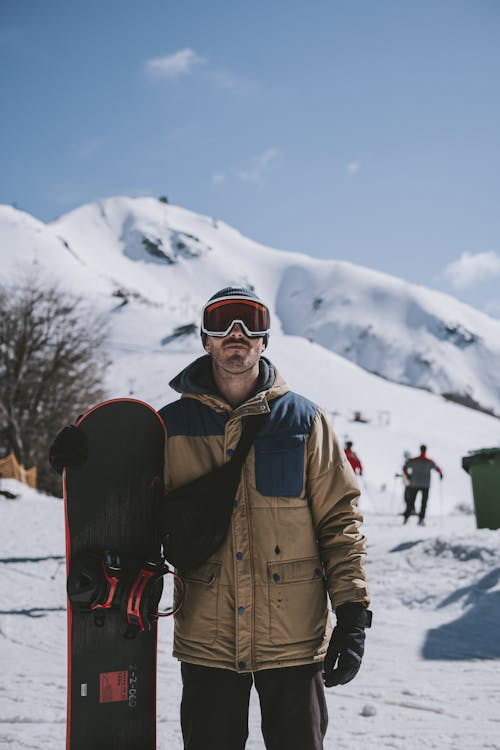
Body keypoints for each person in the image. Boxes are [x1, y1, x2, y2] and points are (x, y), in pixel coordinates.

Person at [49, 287, 372, 750]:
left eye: (250, 323)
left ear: (265, 339)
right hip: (209, 639)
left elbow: (340, 523)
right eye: (222, 323)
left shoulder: (305, 422)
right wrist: (81, 456)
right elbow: (118, 500)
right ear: (205, 340)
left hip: (294, 640)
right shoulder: (168, 427)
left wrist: (353, 612)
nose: (236, 335)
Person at [402, 444, 443, 525]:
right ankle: (421, 519)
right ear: (425, 450)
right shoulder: (429, 461)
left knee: (411, 501)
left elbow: (405, 467)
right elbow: (438, 469)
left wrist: (408, 476)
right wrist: (441, 474)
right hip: (425, 485)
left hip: (415, 484)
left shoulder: (414, 460)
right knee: (424, 503)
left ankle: (406, 518)